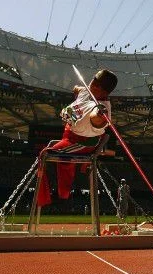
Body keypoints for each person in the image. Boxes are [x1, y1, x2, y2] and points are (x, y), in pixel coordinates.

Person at [36, 69, 118, 207]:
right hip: (68, 135)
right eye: (93, 81)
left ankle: (60, 196)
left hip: (83, 142)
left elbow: (97, 118)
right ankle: (61, 194)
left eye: (96, 84)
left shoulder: (101, 110)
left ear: (102, 90)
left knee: (46, 153)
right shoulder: (87, 90)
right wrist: (77, 89)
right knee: (53, 153)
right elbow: (77, 89)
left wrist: (101, 114)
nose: (92, 84)